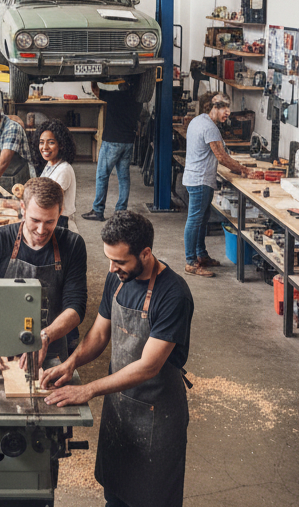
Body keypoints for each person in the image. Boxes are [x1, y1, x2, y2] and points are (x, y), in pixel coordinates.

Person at [41, 211, 194, 507]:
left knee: (151, 497)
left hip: (156, 412)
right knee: (116, 492)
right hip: (120, 406)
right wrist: (70, 363)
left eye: (120, 262)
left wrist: (88, 389)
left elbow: (149, 366)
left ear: (145, 253)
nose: (111, 269)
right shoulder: (118, 280)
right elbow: (98, 336)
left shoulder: (173, 294)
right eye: (109, 260)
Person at [0, 177, 87, 372]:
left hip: (50, 350)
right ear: (23, 208)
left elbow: (76, 306)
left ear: (60, 212)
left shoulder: (72, 245)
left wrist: (44, 337)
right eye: (35, 220)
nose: (42, 230)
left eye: (50, 221)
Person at [181, 92, 253, 277]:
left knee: (201, 219)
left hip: (194, 178)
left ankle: (201, 255)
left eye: (229, 107)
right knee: (195, 221)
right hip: (200, 181)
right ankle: (190, 262)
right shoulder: (210, 128)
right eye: (223, 107)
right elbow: (222, 157)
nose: (228, 112)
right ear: (213, 108)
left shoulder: (197, 121)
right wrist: (243, 170)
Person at [83, 79, 141, 222]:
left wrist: (94, 78)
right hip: (127, 142)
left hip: (112, 142)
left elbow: (95, 91)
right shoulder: (138, 101)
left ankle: (98, 210)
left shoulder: (115, 96)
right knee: (124, 178)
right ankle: (121, 212)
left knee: (102, 175)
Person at [32, 119, 77, 228]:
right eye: (42, 142)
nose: (45, 147)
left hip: (61, 224)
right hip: (49, 218)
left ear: (61, 145)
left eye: (51, 142)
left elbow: (50, 202)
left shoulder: (64, 169)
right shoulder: (50, 164)